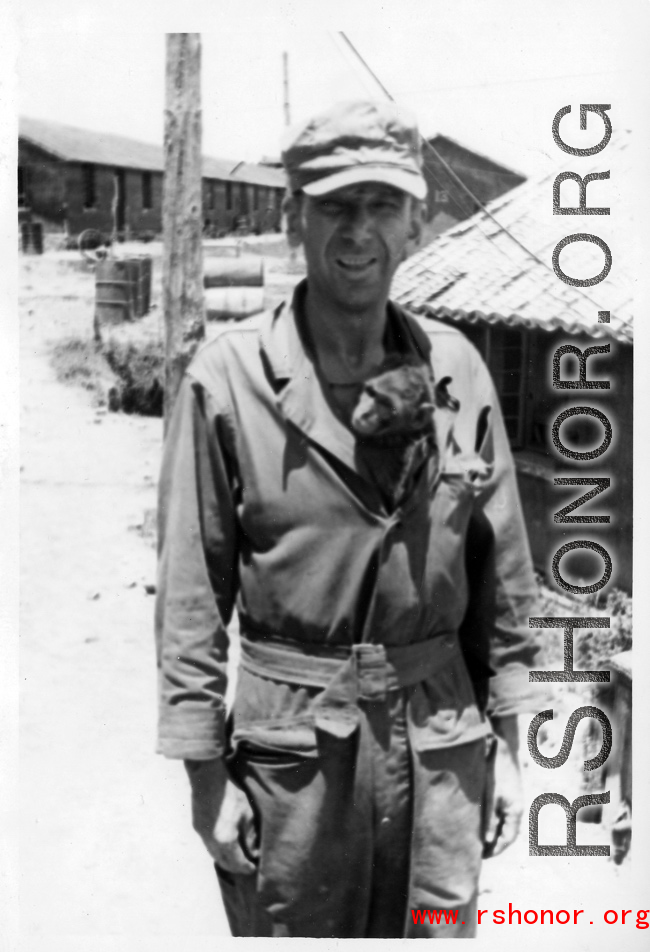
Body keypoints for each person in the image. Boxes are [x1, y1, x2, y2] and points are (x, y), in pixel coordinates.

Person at [155, 100, 540, 938]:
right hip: (294, 754)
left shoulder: (459, 369)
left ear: (414, 225)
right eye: (335, 206)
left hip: (439, 741)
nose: (358, 231)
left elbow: (504, 572)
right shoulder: (228, 380)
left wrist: (511, 747)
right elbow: (190, 599)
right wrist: (205, 781)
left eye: (382, 206)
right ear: (296, 218)